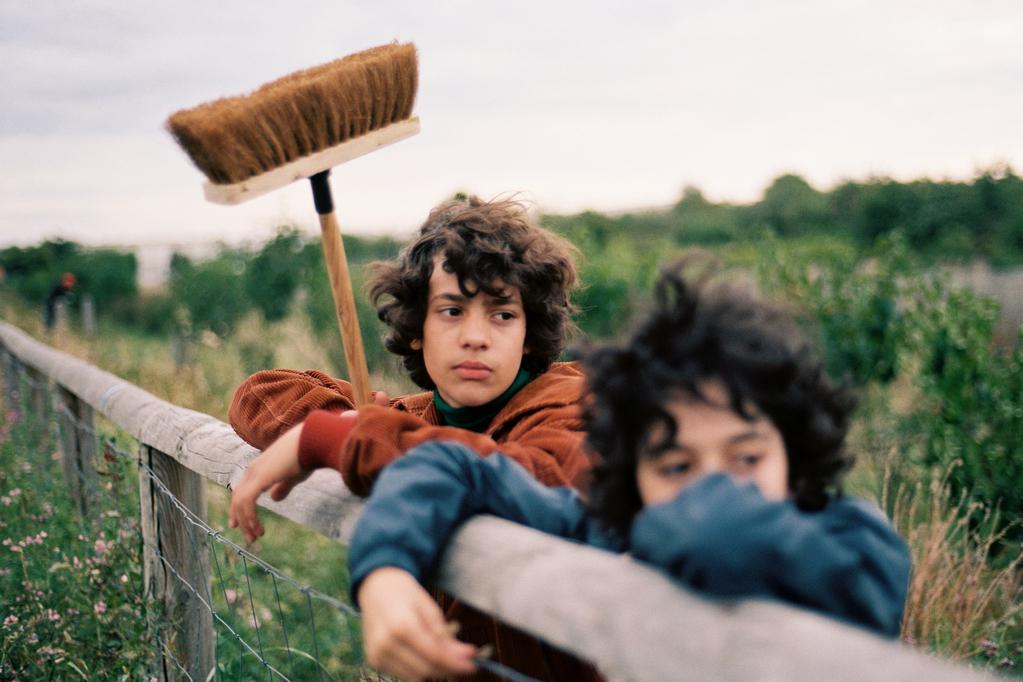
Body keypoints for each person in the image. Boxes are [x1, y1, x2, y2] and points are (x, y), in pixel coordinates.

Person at [346, 258, 912, 681]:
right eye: (677, 464)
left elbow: (718, 530)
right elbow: (449, 466)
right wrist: (384, 573)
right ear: (632, 469)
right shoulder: (610, 525)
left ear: (794, 447)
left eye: (746, 458)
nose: (713, 486)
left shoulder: (853, 540)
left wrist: (640, 536)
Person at [229, 195, 600, 681]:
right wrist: (351, 426)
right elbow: (258, 394)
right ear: (416, 329)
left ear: (529, 334)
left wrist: (340, 438)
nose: (475, 336)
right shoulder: (412, 419)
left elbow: (532, 477)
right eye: (452, 311)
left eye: (502, 315)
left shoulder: (571, 404)